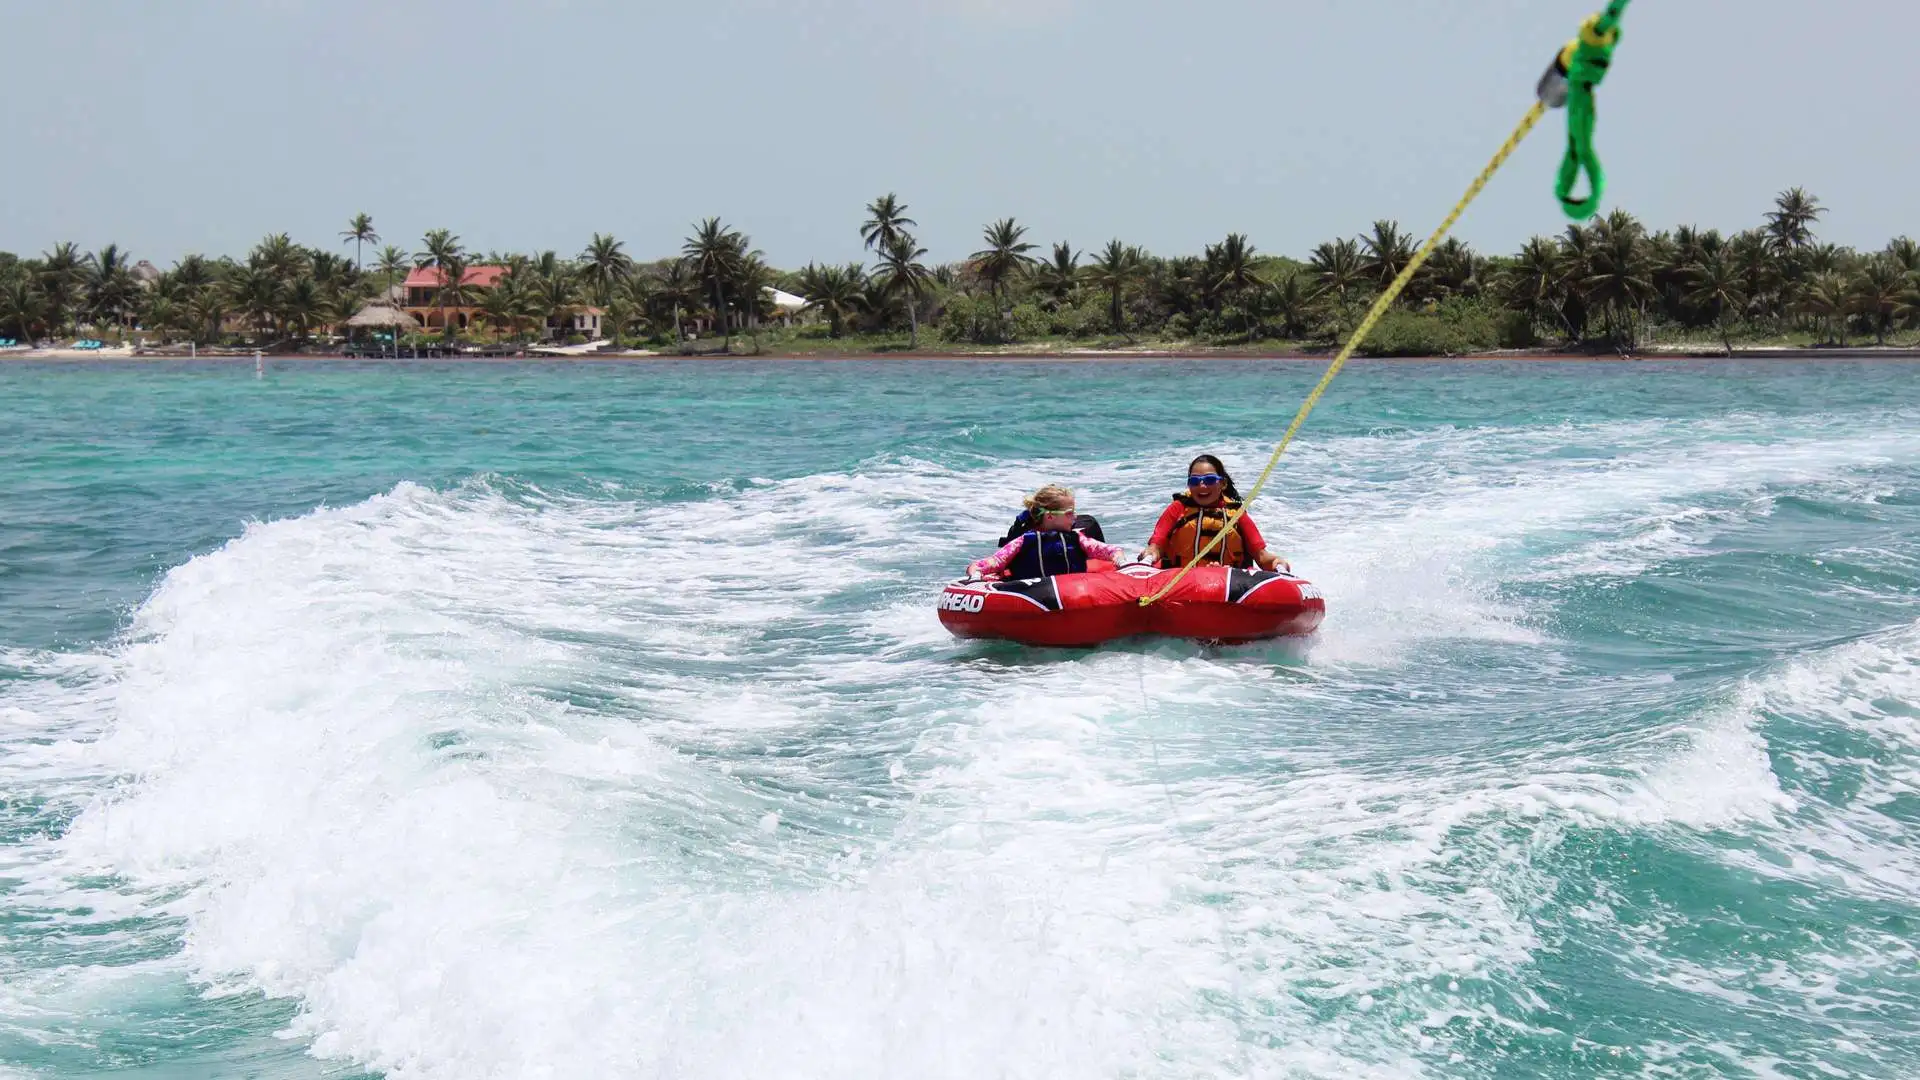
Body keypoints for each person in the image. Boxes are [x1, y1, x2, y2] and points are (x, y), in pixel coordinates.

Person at [1137, 454, 1289, 572]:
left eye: (1209, 480)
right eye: (1195, 481)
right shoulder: (1178, 508)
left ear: (1222, 484)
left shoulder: (1236, 513)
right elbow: (1156, 545)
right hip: (1179, 582)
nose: (1202, 486)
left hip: (1228, 586)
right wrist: (1151, 552)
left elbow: (1262, 556)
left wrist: (1277, 562)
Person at [968, 484, 1127, 580]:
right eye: (1070, 513)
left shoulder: (1078, 538)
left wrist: (1121, 561)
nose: (1076, 518)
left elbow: (1109, 550)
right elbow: (996, 561)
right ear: (1050, 516)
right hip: (1031, 595)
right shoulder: (1023, 541)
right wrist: (976, 572)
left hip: (1074, 591)